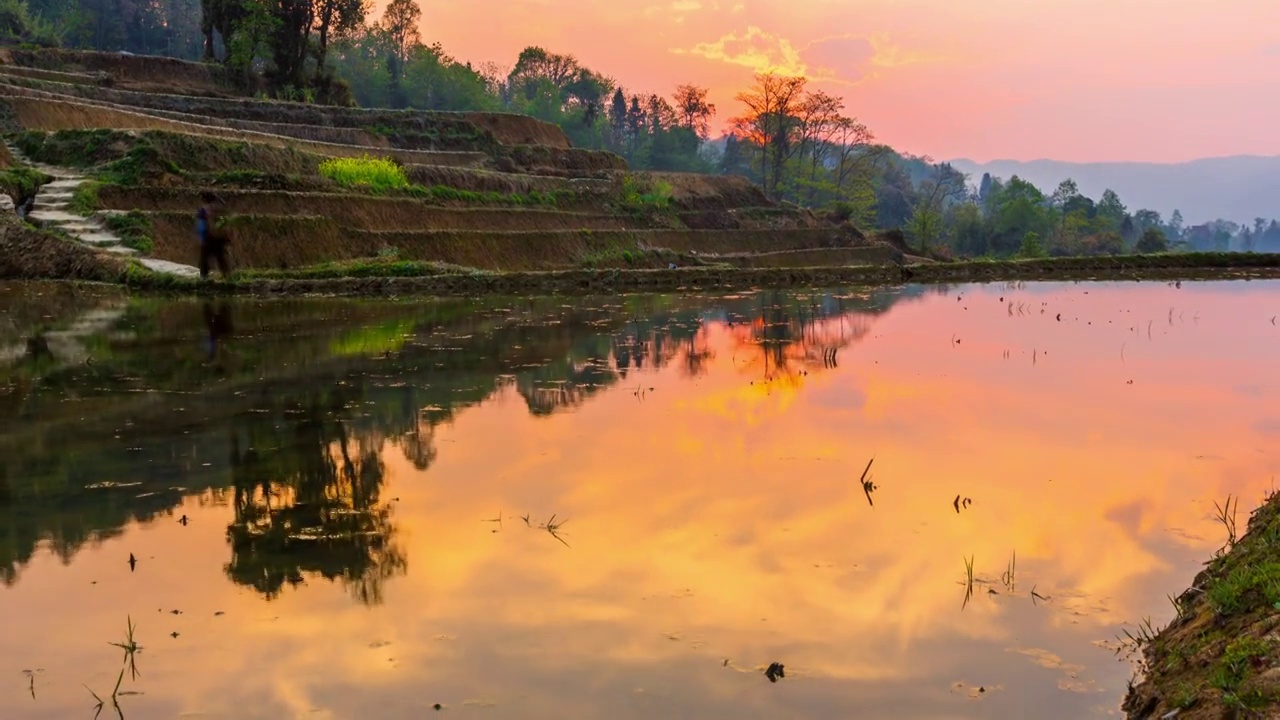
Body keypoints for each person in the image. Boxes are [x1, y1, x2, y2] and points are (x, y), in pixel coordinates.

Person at [196, 192, 232, 279]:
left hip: (208, 237)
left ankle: (204, 277)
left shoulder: (204, 211)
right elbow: (226, 224)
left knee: (204, 258)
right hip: (220, 237)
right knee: (221, 257)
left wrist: (202, 237)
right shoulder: (221, 210)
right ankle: (227, 276)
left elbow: (202, 225)